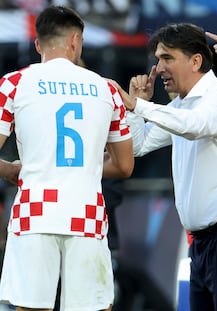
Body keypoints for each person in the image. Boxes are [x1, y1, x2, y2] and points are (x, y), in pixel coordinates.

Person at [113, 22, 217, 311]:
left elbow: (194, 127)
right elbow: (139, 146)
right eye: (158, 59)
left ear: (196, 60)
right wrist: (135, 108)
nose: (158, 67)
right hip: (203, 243)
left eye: (167, 58)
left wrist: (140, 108)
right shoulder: (181, 106)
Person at [0, 5, 134, 311]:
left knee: (31, 307)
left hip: (34, 214)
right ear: (75, 41)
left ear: (38, 44)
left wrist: (9, 169)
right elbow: (125, 165)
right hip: (86, 213)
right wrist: (89, 166)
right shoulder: (106, 89)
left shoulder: (13, 84)